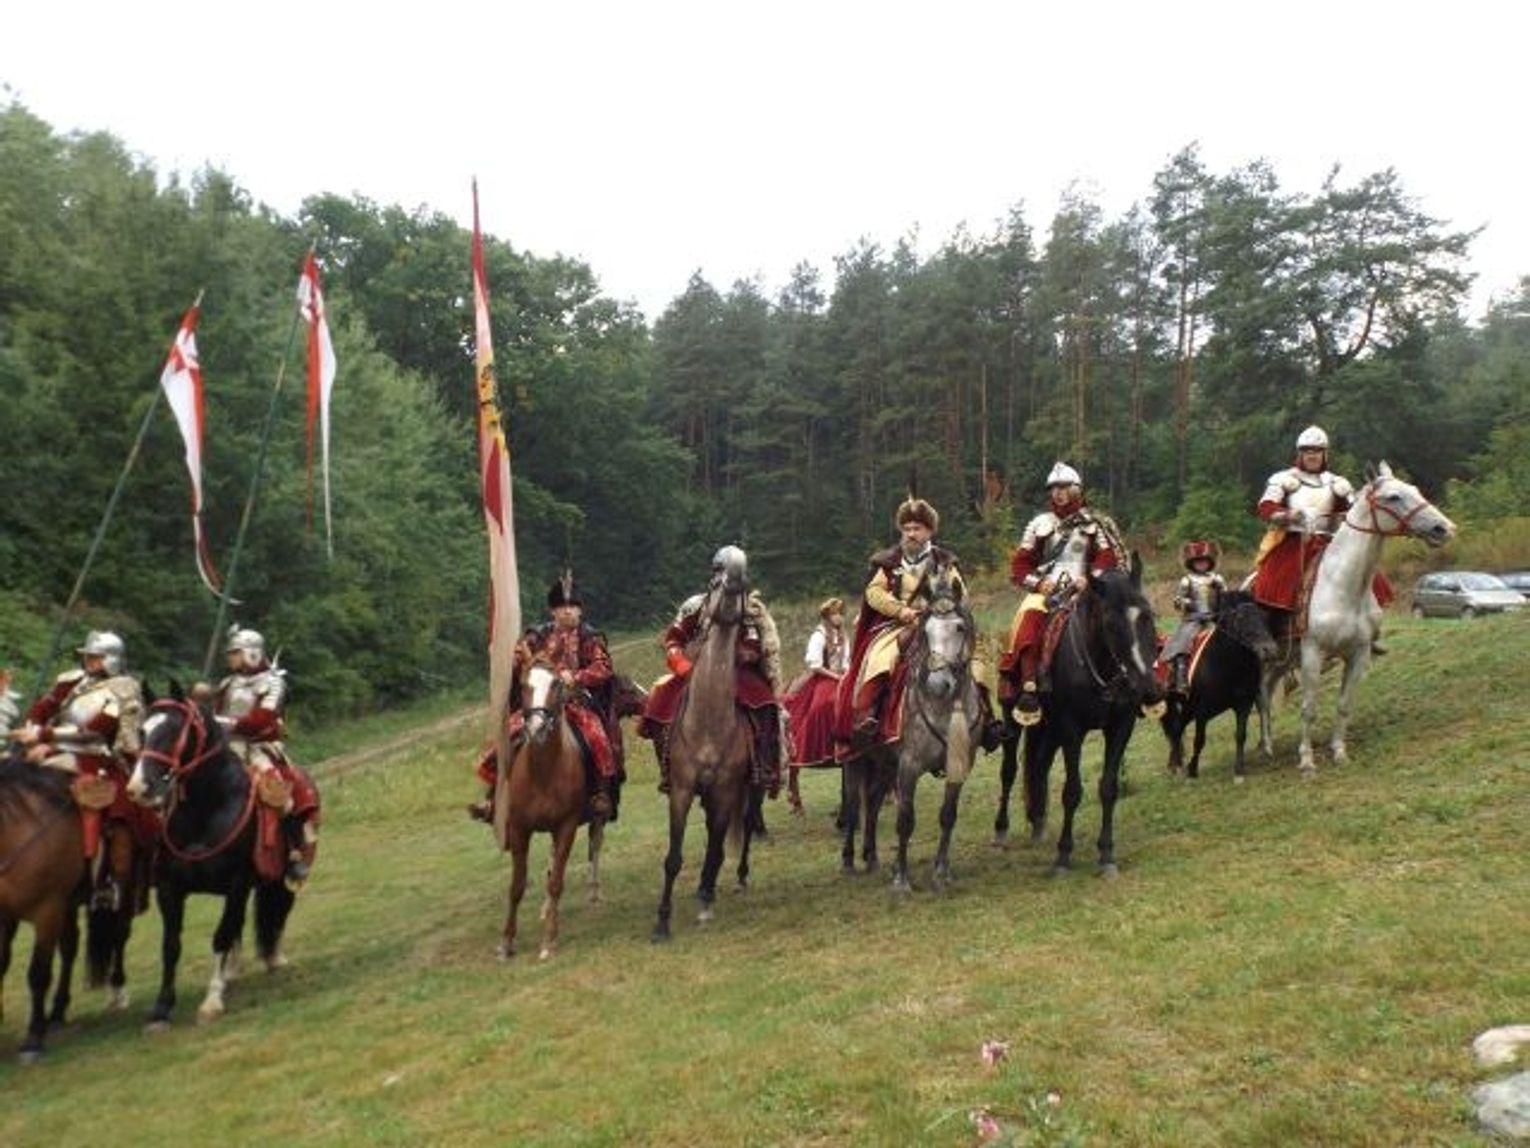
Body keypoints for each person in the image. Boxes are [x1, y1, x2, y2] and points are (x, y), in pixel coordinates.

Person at [833, 497, 1002, 757]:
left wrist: (941, 611)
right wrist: (901, 610)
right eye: (907, 528)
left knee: (976, 656)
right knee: (880, 657)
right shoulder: (888, 561)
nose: (911, 534)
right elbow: (873, 593)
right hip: (898, 625)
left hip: (942, 623)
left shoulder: (945, 562)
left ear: (929, 531)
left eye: (917, 528)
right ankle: (867, 715)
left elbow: (960, 594)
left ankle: (986, 718)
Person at [467, 574, 620, 823]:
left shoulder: (591, 638)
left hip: (575, 703)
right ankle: (494, 796)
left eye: (572, 606)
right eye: (561, 607)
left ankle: (600, 794)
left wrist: (577, 677)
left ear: (580, 610)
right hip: (540, 702)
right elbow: (518, 663)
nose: (567, 611)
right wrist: (513, 659)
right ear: (553, 611)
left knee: (598, 738)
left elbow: (603, 668)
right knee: (508, 735)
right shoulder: (536, 636)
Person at [10, 631, 147, 907]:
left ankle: (102, 878)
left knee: (107, 810)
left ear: (112, 660)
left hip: (95, 759)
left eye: (96, 657)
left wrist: (45, 737)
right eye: (87, 656)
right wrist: (33, 731)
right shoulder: (71, 681)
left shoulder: (125, 689)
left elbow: (96, 730)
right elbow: (42, 708)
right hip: (52, 750)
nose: (89, 661)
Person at [636, 546, 786, 797]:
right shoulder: (695, 605)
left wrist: (747, 653)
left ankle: (763, 763)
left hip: (737, 673)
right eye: (721, 572)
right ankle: (668, 766)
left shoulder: (749, 607)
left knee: (765, 703)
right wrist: (682, 665)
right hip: (695, 671)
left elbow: (754, 641)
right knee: (660, 701)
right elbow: (674, 639)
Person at [999, 462, 1122, 723]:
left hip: (1085, 588)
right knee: (1027, 616)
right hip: (1048, 589)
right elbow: (1020, 564)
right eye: (1054, 488)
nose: (1058, 492)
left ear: (1076, 489)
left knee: (1125, 613)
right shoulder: (1040, 524)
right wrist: (1037, 583)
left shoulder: (1094, 523)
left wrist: (1090, 578)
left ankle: (1143, 677)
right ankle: (1027, 684)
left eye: (1064, 487)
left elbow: (1108, 558)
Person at [1249, 425, 1391, 648]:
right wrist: (1288, 515)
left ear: (1324, 454)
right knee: (1276, 580)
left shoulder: (1337, 483)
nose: (1312, 455)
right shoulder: (1284, 479)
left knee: (1368, 574)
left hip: (1329, 541)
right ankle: (1273, 631)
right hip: (1294, 540)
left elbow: (1354, 511)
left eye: (1317, 451)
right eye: (1307, 451)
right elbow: (1266, 507)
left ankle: (1368, 630)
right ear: (1300, 454)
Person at [214, 625, 320, 888]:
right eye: (230, 653)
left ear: (252, 653)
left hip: (259, 748)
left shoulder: (273, 682)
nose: (230, 658)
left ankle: (294, 851)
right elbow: (215, 712)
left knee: (281, 796)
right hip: (226, 746)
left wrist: (221, 722)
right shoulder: (227, 683)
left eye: (235, 653)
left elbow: (261, 720)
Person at [781, 597, 849, 811]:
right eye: (835, 614)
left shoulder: (844, 636)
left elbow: (847, 661)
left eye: (841, 613)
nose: (839, 617)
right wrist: (836, 677)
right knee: (823, 705)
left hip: (841, 678)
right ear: (827, 616)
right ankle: (814, 746)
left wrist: (846, 675)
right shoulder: (818, 636)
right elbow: (815, 665)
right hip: (822, 678)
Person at [1161, 540, 1226, 696]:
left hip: (1216, 619)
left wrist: (1222, 607)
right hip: (1193, 620)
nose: (1201, 564)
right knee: (1182, 645)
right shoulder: (1187, 580)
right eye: (1198, 561)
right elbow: (1178, 601)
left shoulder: (1217, 579)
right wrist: (1187, 603)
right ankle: (1180, 680)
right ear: (1192, 563)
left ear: (1209, 561)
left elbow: (1226, 597)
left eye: (1204, 561)